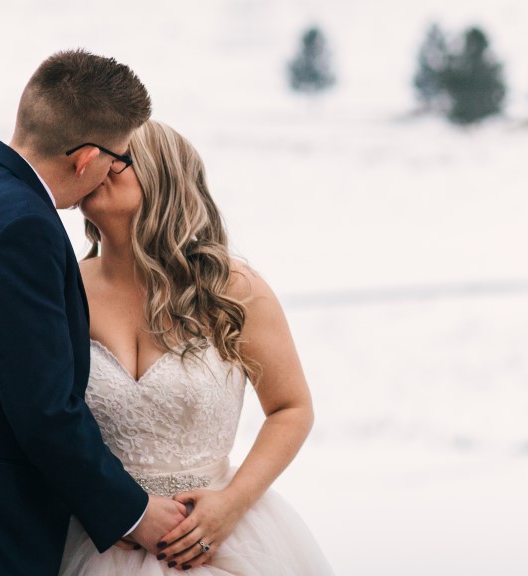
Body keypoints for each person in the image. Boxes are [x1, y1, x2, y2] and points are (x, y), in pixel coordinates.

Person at [0, 51, 189, 576]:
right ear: (86, 158)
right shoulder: (25, 228)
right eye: (118, 159)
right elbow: (43, 410)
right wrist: (135, 514)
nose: (114, 172)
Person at [59, 120, 333, 575]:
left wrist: (231, 504)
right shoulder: (64, 290)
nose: (96, 169)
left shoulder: (232, 289)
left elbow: (292, 407)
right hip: (99, 540)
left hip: (221, 537)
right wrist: (105, 504)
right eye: (91, 158)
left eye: (116, 160)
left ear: (161, 178)